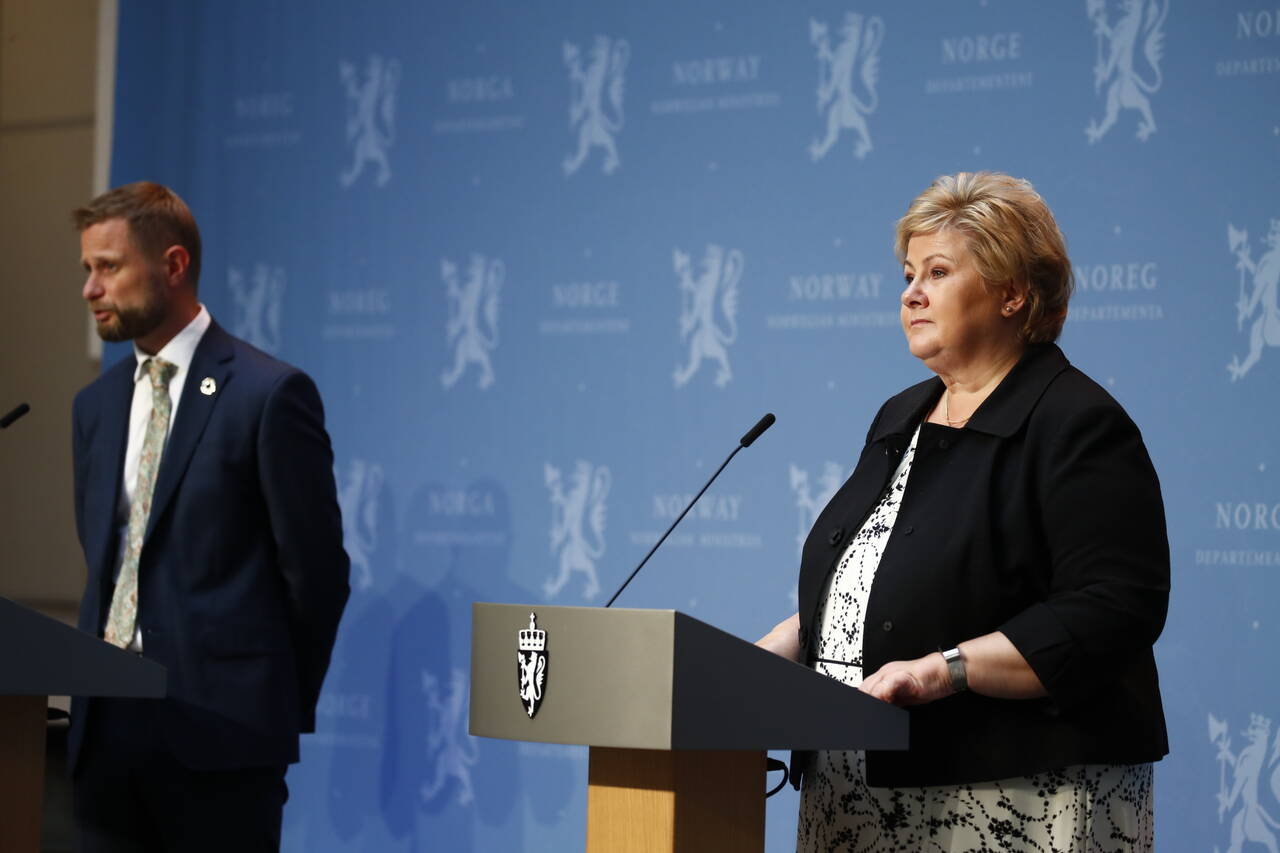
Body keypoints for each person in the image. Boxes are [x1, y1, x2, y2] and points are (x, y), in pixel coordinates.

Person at [757, 172, 1169, 851]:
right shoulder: (902, 415)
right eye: (909, 273)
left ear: (1013, 292)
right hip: (858, 788)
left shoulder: (1076, 421)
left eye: (939, 272)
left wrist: (941, 669)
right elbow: (872, 581)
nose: (910, 292)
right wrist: (753, 664)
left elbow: (1111, 609)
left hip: (1017, 797)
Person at [69, 182, 350, 851]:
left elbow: (316, 575)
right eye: (86, 269)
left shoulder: (267, 393)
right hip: (105, 739)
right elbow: (104, 562)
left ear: (173, 265)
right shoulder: (94, 405)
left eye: (109, 267)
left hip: (222, 743)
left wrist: (266, 702)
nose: (90, 288)